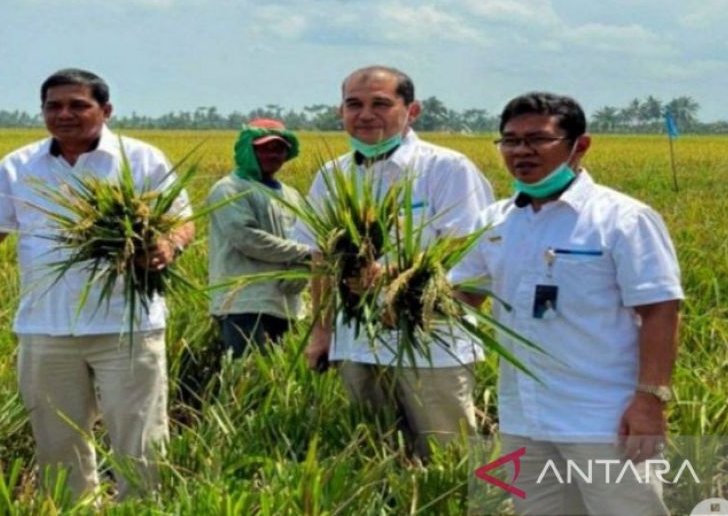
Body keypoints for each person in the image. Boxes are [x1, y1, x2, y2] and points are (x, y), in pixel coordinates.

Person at [0, 68, 194, 500]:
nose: (64, 114)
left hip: (126, 325)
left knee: (140, 439)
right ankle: (72, 509)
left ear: (105, 110)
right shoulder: (18, 166)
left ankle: (141, 509)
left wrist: (166, 247)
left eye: (78, 105)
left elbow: (182, 221)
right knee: (57, 444)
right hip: (45, 327)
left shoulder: (141, 159)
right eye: (54, 106)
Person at [450, 92, 683, 515]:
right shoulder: (495, 222)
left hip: (603, 417)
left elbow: (660, 310)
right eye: (510, 140)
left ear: (580, 145)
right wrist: (393, 288)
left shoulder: (623, 219)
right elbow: (463, 295)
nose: (522, 151)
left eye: (538, 139)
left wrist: (650, 401)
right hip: (524, 415)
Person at [294, 65, 495, 459]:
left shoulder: (446, 168)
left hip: (432, 344)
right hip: (356, 345)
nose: (365, 114)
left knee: (448, 456)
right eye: (354, 104)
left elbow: (469, 252)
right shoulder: (331, 176)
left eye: (380, 104)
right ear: (341, 112)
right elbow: (320, 261)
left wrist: (395, 276)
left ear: (412, 111)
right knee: (377, 453)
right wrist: (321, 333)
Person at [207, 118, 311, 357]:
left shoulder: (292, 195)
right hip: (244, 303)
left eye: (279, 148)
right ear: (247, 150)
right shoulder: (230, 189)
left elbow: (309, 238)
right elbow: (248, 239)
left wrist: (302, 269)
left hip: (286, 304)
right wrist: (306, 254)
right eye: (263, 148)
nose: (272, 154)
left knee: (282, 379)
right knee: (249, 376)